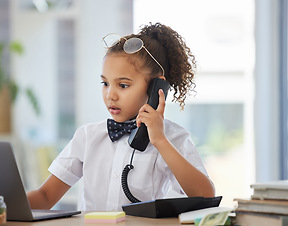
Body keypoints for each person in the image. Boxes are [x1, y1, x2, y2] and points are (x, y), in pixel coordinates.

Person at [27, 22, 215, 211]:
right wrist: (2, 204)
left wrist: (160, 141)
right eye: (105, 83)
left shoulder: (173, 138)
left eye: (123, 85)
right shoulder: (88, 136)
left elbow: (206, 195)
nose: (110, 95)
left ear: (156, 88)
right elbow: (46, 196)